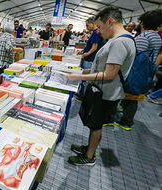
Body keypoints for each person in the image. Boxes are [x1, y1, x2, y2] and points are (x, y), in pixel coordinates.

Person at [64, 6, 136, 166]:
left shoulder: (121, 42)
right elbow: (104, 67)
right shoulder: (118, 40)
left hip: (106, 93)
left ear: (110, 22)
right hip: (102, 90)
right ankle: (89, 148)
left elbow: (109, 74)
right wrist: (83, 71)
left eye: (99, 27)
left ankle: (89, 157)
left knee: (96, 125)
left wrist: (77, 76)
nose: (97, 31)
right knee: (93, 123)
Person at [116, 9, 162, 131]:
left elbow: (136, 56)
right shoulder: (157, 37)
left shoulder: (144, 37)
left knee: (131, 96)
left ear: (142, 23)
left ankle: (126, 121)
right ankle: (127, 119)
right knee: (134, 96)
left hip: (137, 71)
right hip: (147, 70)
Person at [75, 17, 104, 99]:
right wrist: (83, 51)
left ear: (93, 23)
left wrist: (86, 54)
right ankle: (82, 93)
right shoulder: (94, 32)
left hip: (90, 59)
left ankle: (83, 95)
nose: (87, 27)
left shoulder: (96, 33)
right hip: (89, 58)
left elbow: (94, 47)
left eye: (88, 25)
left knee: (86, 78)